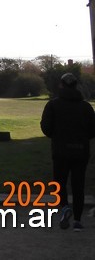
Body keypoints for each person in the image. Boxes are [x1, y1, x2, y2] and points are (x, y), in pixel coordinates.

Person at [40, 72, 95, 231]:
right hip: (81, 151)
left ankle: (64, 208)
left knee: (60, 184)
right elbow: (93, 130)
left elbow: (46, 128)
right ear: (76, 85)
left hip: (60, 151)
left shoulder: (53, 105)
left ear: (61, 85)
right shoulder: (86, 107)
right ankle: (78, 220)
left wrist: (56, 136)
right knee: (79, 186)